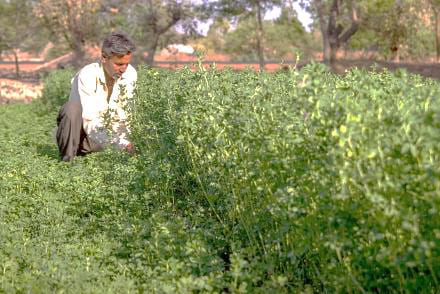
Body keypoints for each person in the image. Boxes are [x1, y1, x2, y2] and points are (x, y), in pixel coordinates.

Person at [56, 32, 137, 162]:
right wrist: (122, 144)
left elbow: (128, 114)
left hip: (111, 137)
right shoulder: (87, 75)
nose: (124, 69)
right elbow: (90, 123)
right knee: (71, 109)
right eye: (119, 64)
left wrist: (130, 144)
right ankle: (67, 161)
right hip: (84, 137)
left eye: (126, 64)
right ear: (104, 58)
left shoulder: (131, 74)